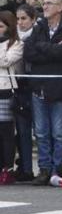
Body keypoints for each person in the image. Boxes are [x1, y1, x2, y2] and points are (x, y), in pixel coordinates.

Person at [23, 0, 62, 186]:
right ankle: (44, 169)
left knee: (59, 133)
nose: (44, 6)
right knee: (41, 132)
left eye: (49, 3)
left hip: (60, 90)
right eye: (44, 3)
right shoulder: (39, 27)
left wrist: (43, 48)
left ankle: (57, 169)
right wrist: (51, 50)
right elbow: (29, 52)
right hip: (39, 88)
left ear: (60, 8)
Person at [13, 4, 37, 181]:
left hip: (33, 86)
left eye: (24, 18)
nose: (20, 22)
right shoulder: (13, 38)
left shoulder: (35, 36)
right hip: (18, 87)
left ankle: (46, 168)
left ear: (33, 19)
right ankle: (26, 168)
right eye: (18, 18)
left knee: (41, 130)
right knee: (22, 131)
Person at [0, 11, 24, 184]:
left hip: (6, 91)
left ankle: (7, 168)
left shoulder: (16, 44)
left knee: (6, 133)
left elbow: (5, 61)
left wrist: (2, 44)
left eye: (0, 27)